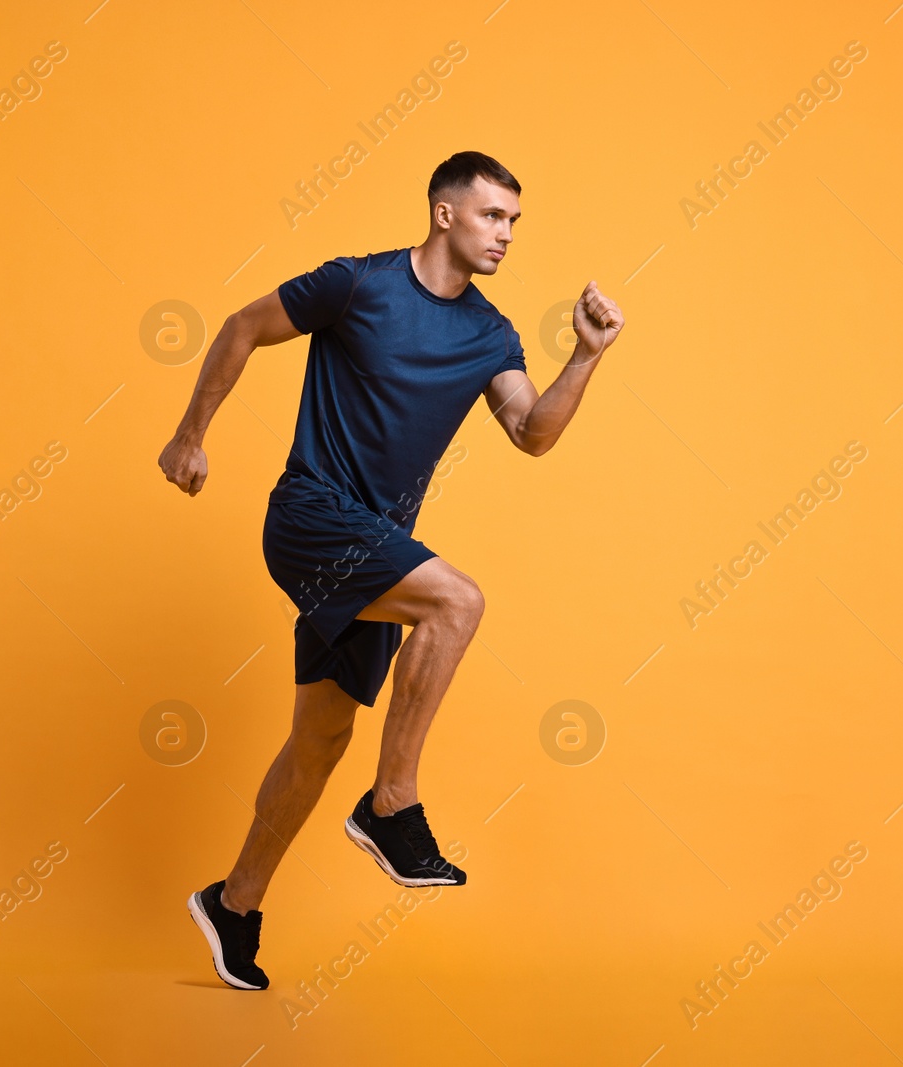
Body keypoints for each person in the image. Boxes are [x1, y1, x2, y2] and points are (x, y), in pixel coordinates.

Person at [158, 151, 624, 990]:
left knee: (318, 742)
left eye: (515, 222)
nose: (506, 235)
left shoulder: (490, 333)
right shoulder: (357, 284)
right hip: (309, 516)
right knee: (458, 601)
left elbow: (533, 430)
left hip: (372, 545)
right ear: (445, 213)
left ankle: (233, 903)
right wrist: (191, 435)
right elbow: (241, 326)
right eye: (492, 216)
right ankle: (392, 804)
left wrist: (587, 355)